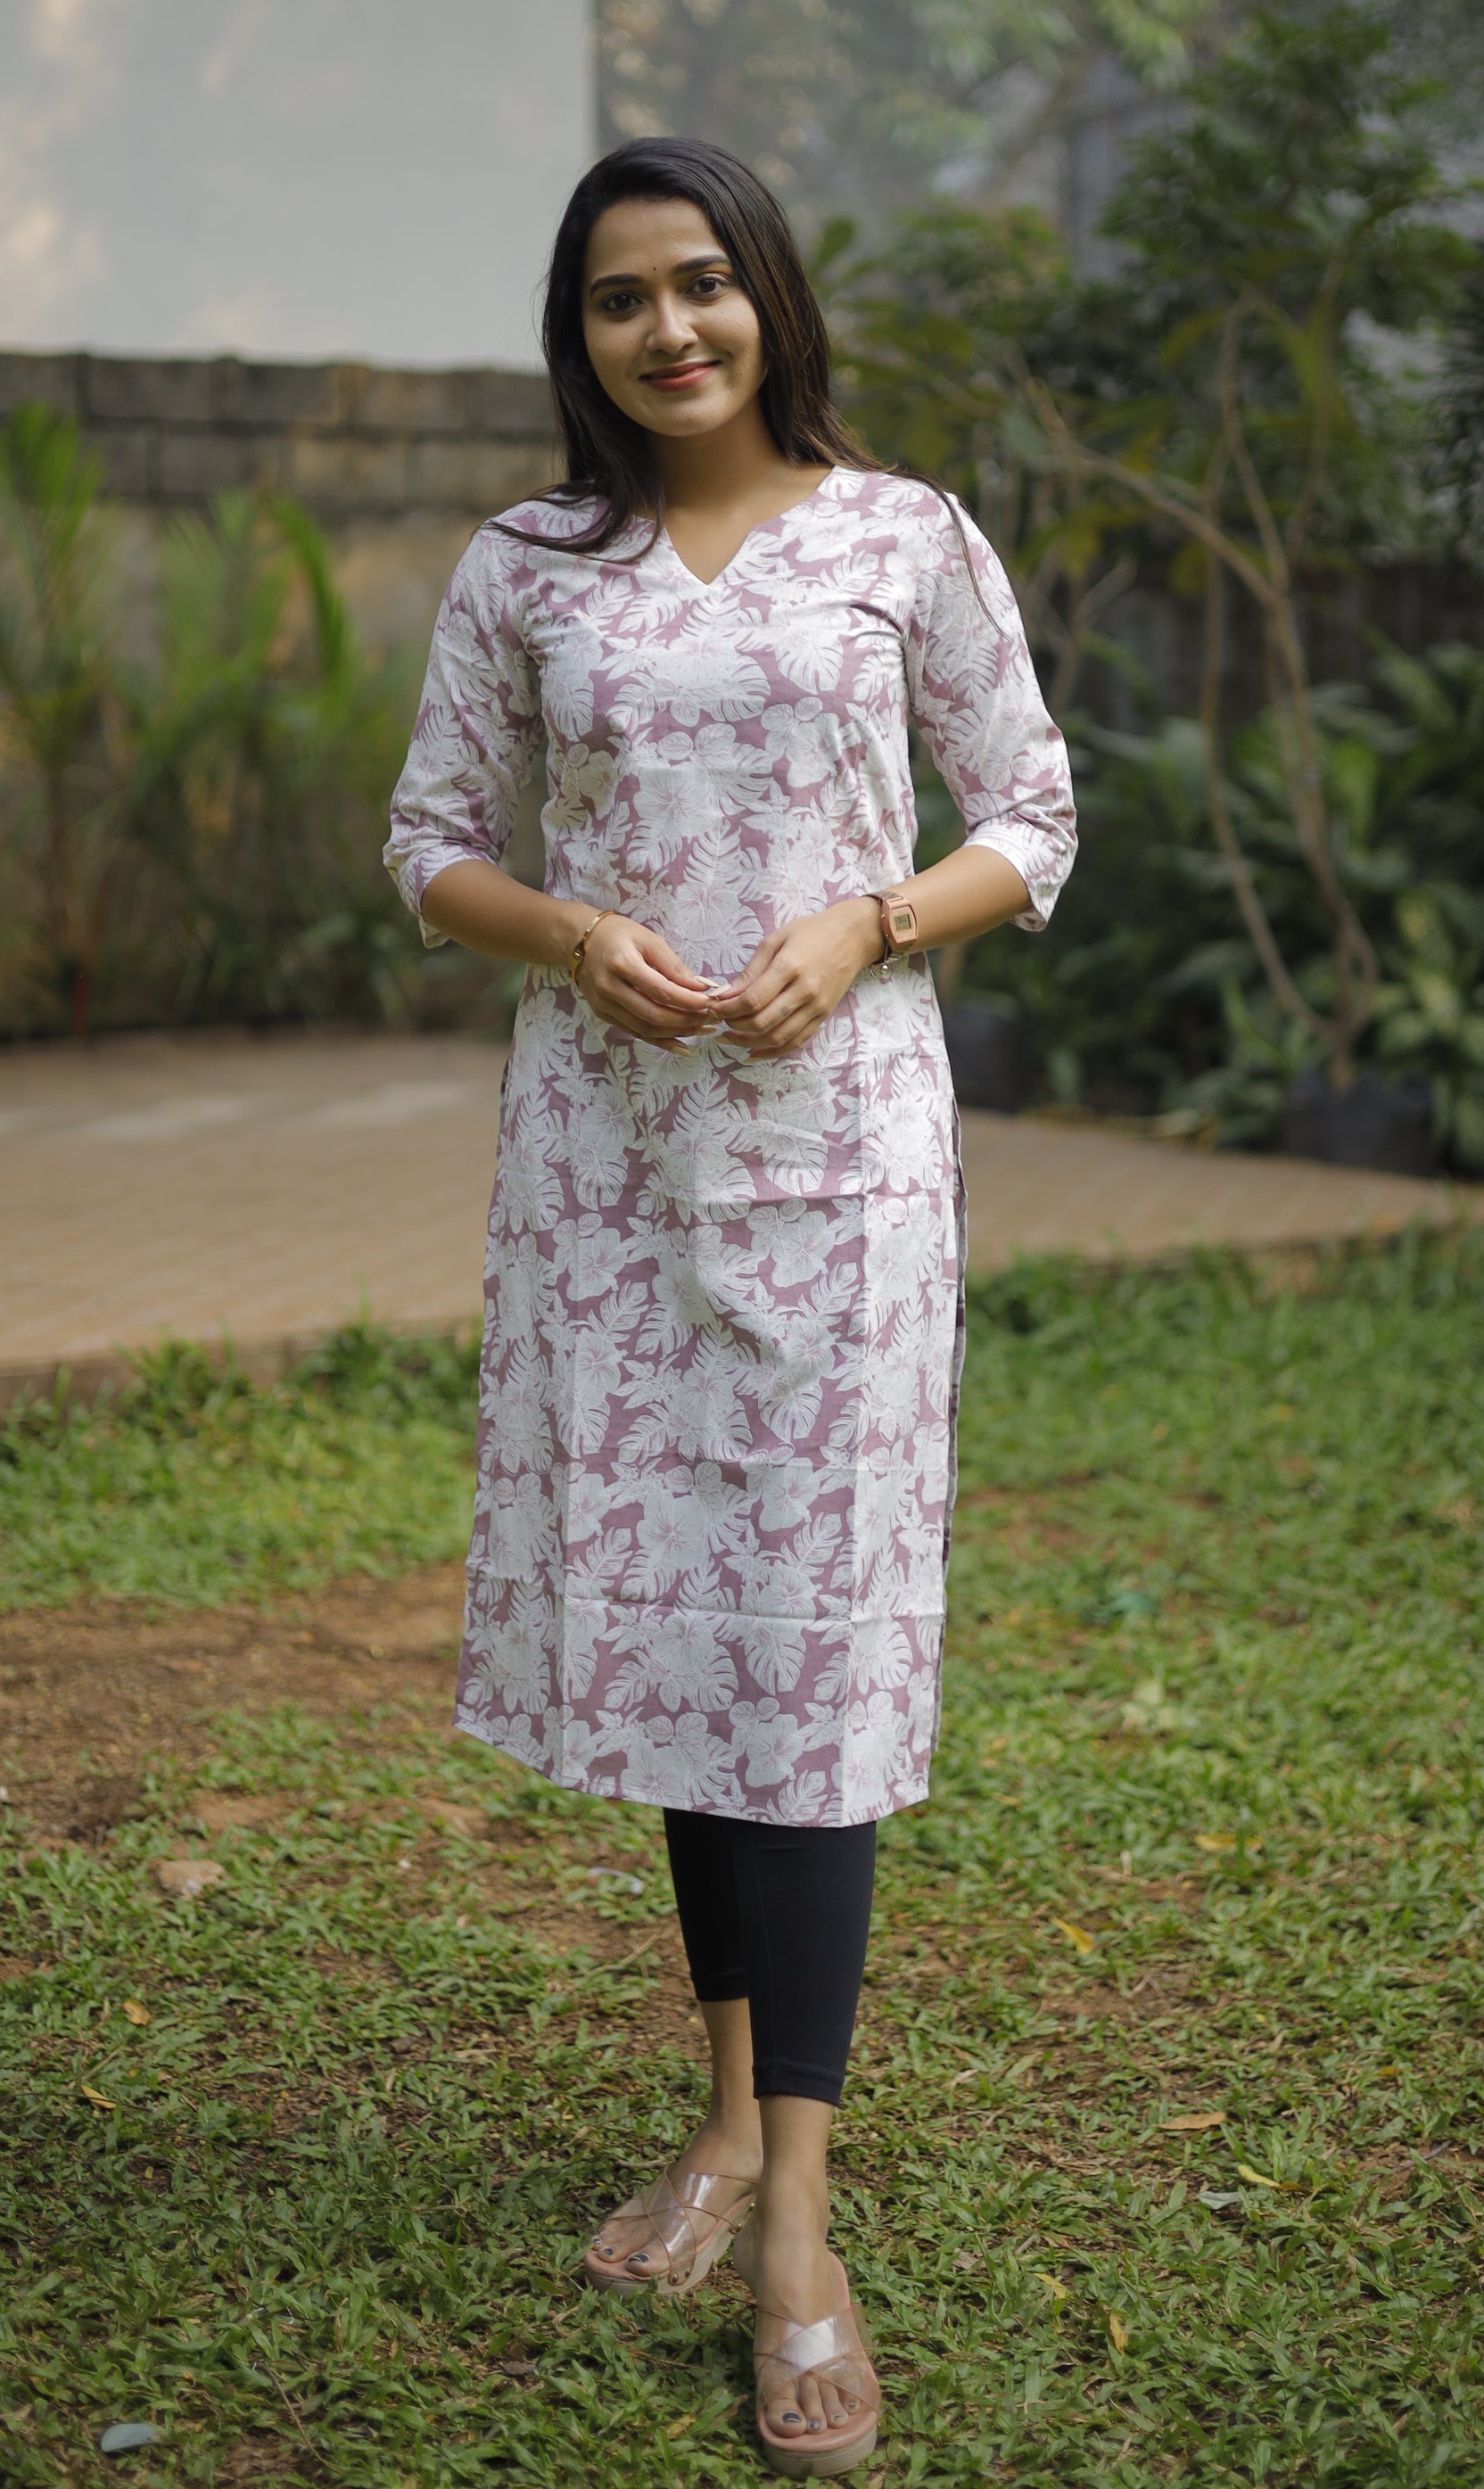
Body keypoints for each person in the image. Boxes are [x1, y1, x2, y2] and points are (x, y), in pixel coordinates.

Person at [384, 138, 1075, 2478]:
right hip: (609, 1174)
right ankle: (708, 2125)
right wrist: (571, 933)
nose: (669, 332)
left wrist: (877, 919)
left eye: (702, 287)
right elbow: (426, 844)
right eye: (617, 303)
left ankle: (797, 2222)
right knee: (692, 1632)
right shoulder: (530, 566)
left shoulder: (904, 539)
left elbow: (1038, 814)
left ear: (767, 294)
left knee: (806, 1648)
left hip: (848, 1170)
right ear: (574, 340)